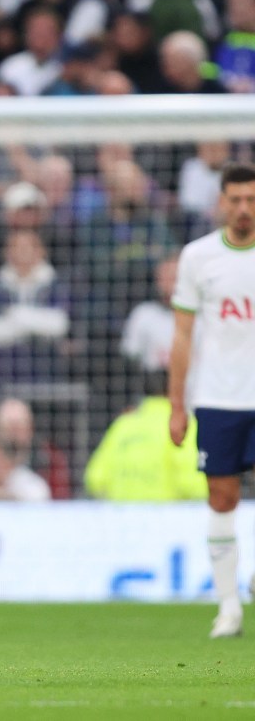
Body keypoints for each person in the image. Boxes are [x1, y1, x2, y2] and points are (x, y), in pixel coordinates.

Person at [169, 162, 255, 639]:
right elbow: (182, 336)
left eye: (251, 200)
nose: (244, 209)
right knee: (221, 497)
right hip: (219, 397)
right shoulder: (198, 257)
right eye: (236, 200)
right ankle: (229, 608)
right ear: (222, 202)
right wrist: (177, 405)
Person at [87, 374, 207, 502]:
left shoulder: (123, 424)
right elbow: (194, 484)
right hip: (168, 514)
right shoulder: (181, 425)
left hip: (122, 514)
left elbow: (95, 479)